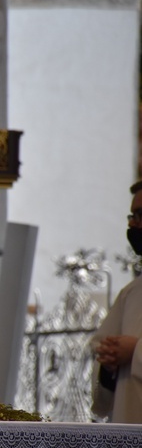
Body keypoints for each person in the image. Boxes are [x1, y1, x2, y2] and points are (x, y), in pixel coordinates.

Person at [92, 179, 142, 423]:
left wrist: (135, 351)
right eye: (131, 216)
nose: (133, 224)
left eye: (140, 215)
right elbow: (101, 350)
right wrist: (109, 365)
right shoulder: (132, 293)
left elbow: (130, 350)